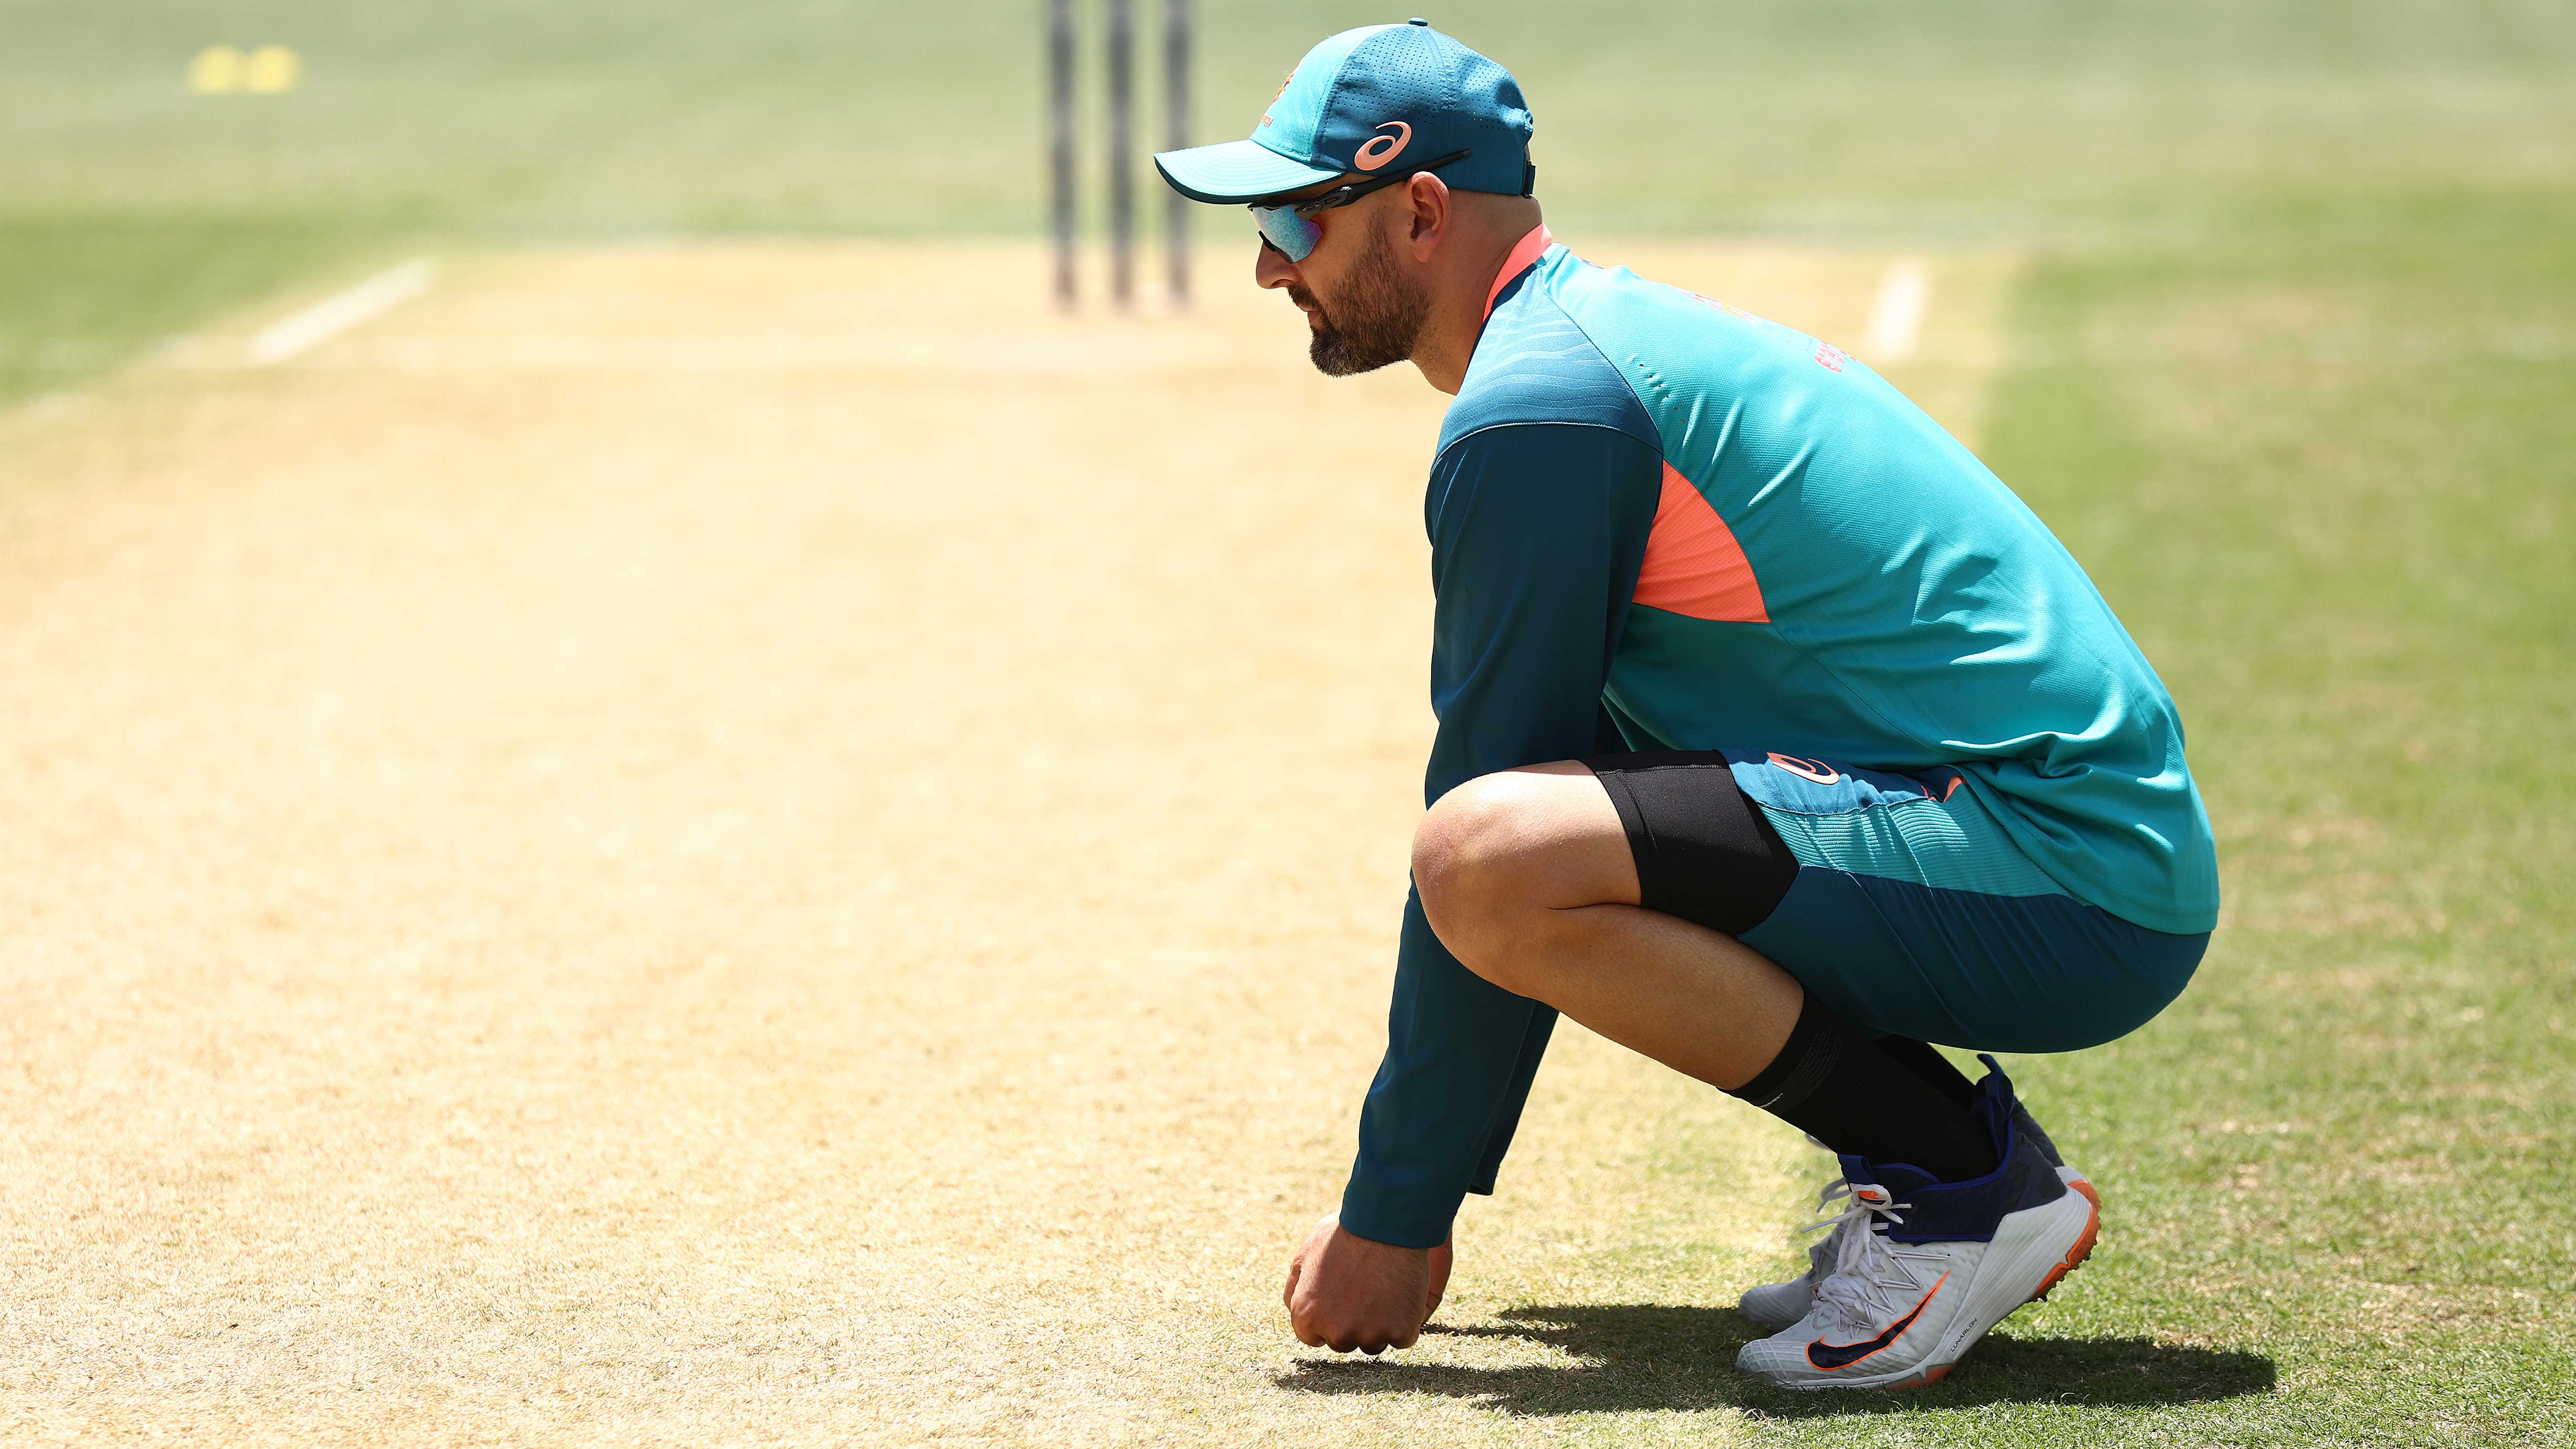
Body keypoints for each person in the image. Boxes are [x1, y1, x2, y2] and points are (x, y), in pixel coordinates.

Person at [1152, 19, 2218, 1392]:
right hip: (2059, 845)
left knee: (1486, 856)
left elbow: (1490, 827)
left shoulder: (1540, 414)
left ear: (1419, 212)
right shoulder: (1585, 348)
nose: (1266, 265)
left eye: (1294, 219)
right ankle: (1938, 1163)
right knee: (1540, 832)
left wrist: (1394, 1213)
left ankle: (1960, 1179)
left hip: (2074, 879)